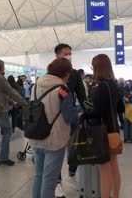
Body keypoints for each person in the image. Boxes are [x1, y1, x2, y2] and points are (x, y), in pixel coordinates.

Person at [29, 58, 78, 198]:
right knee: (49, 180)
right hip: (54, 140)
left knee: (38, 175)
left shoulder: (35, 85)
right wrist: (78, 115)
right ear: (66, 73)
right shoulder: (62, 89)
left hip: (35, 136)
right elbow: (69, 116)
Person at [80, 54, 122, 198]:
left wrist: (84, 114)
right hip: (114, 130)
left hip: (102, 131)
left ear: (98, 68)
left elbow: (96, 111)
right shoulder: (114, 83)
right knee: (114, 166)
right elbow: (121, 107)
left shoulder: (102, 86)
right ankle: (115, 195)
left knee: (104, 169)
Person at [53, 43, 87, 197]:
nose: (69, 56)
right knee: (57, 150)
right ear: (58, 55)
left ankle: (72, 170)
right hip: (54, 118)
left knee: (74, 145)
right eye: (66, 53)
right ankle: (57, 180)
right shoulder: (51, 72)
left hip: (70, 114)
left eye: (70, 53)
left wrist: (87, 112)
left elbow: (81, 95)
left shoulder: (73, 74)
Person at [0, 60, 28, 167]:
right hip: (0, 110)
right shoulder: (0, 78)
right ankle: (3, 158)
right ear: (2, 68)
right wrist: (24, 103)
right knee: (7, 132)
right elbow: (11, 91)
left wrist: (9, 101)